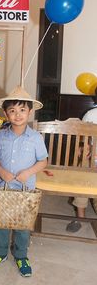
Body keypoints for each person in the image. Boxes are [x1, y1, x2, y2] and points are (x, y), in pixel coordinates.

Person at [0, 86, 48, 277]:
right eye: (12, 111)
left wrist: (28, 172)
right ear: (5, 114)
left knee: (23, 224)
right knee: (2, 222)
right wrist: (0, 171)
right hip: (3, 187)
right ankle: (0, 252)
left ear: (30, 112)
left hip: (25, 189)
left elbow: (43, 161)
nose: (17, 114)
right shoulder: (0, 136)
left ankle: (21, 255)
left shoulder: (36, 137)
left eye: (22, 110)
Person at [66, 91, 97, 233]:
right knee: (82, 172)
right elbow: (82, 138)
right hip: (91, 159)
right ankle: (80, 217)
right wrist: (83, 146)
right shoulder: (91, 115)